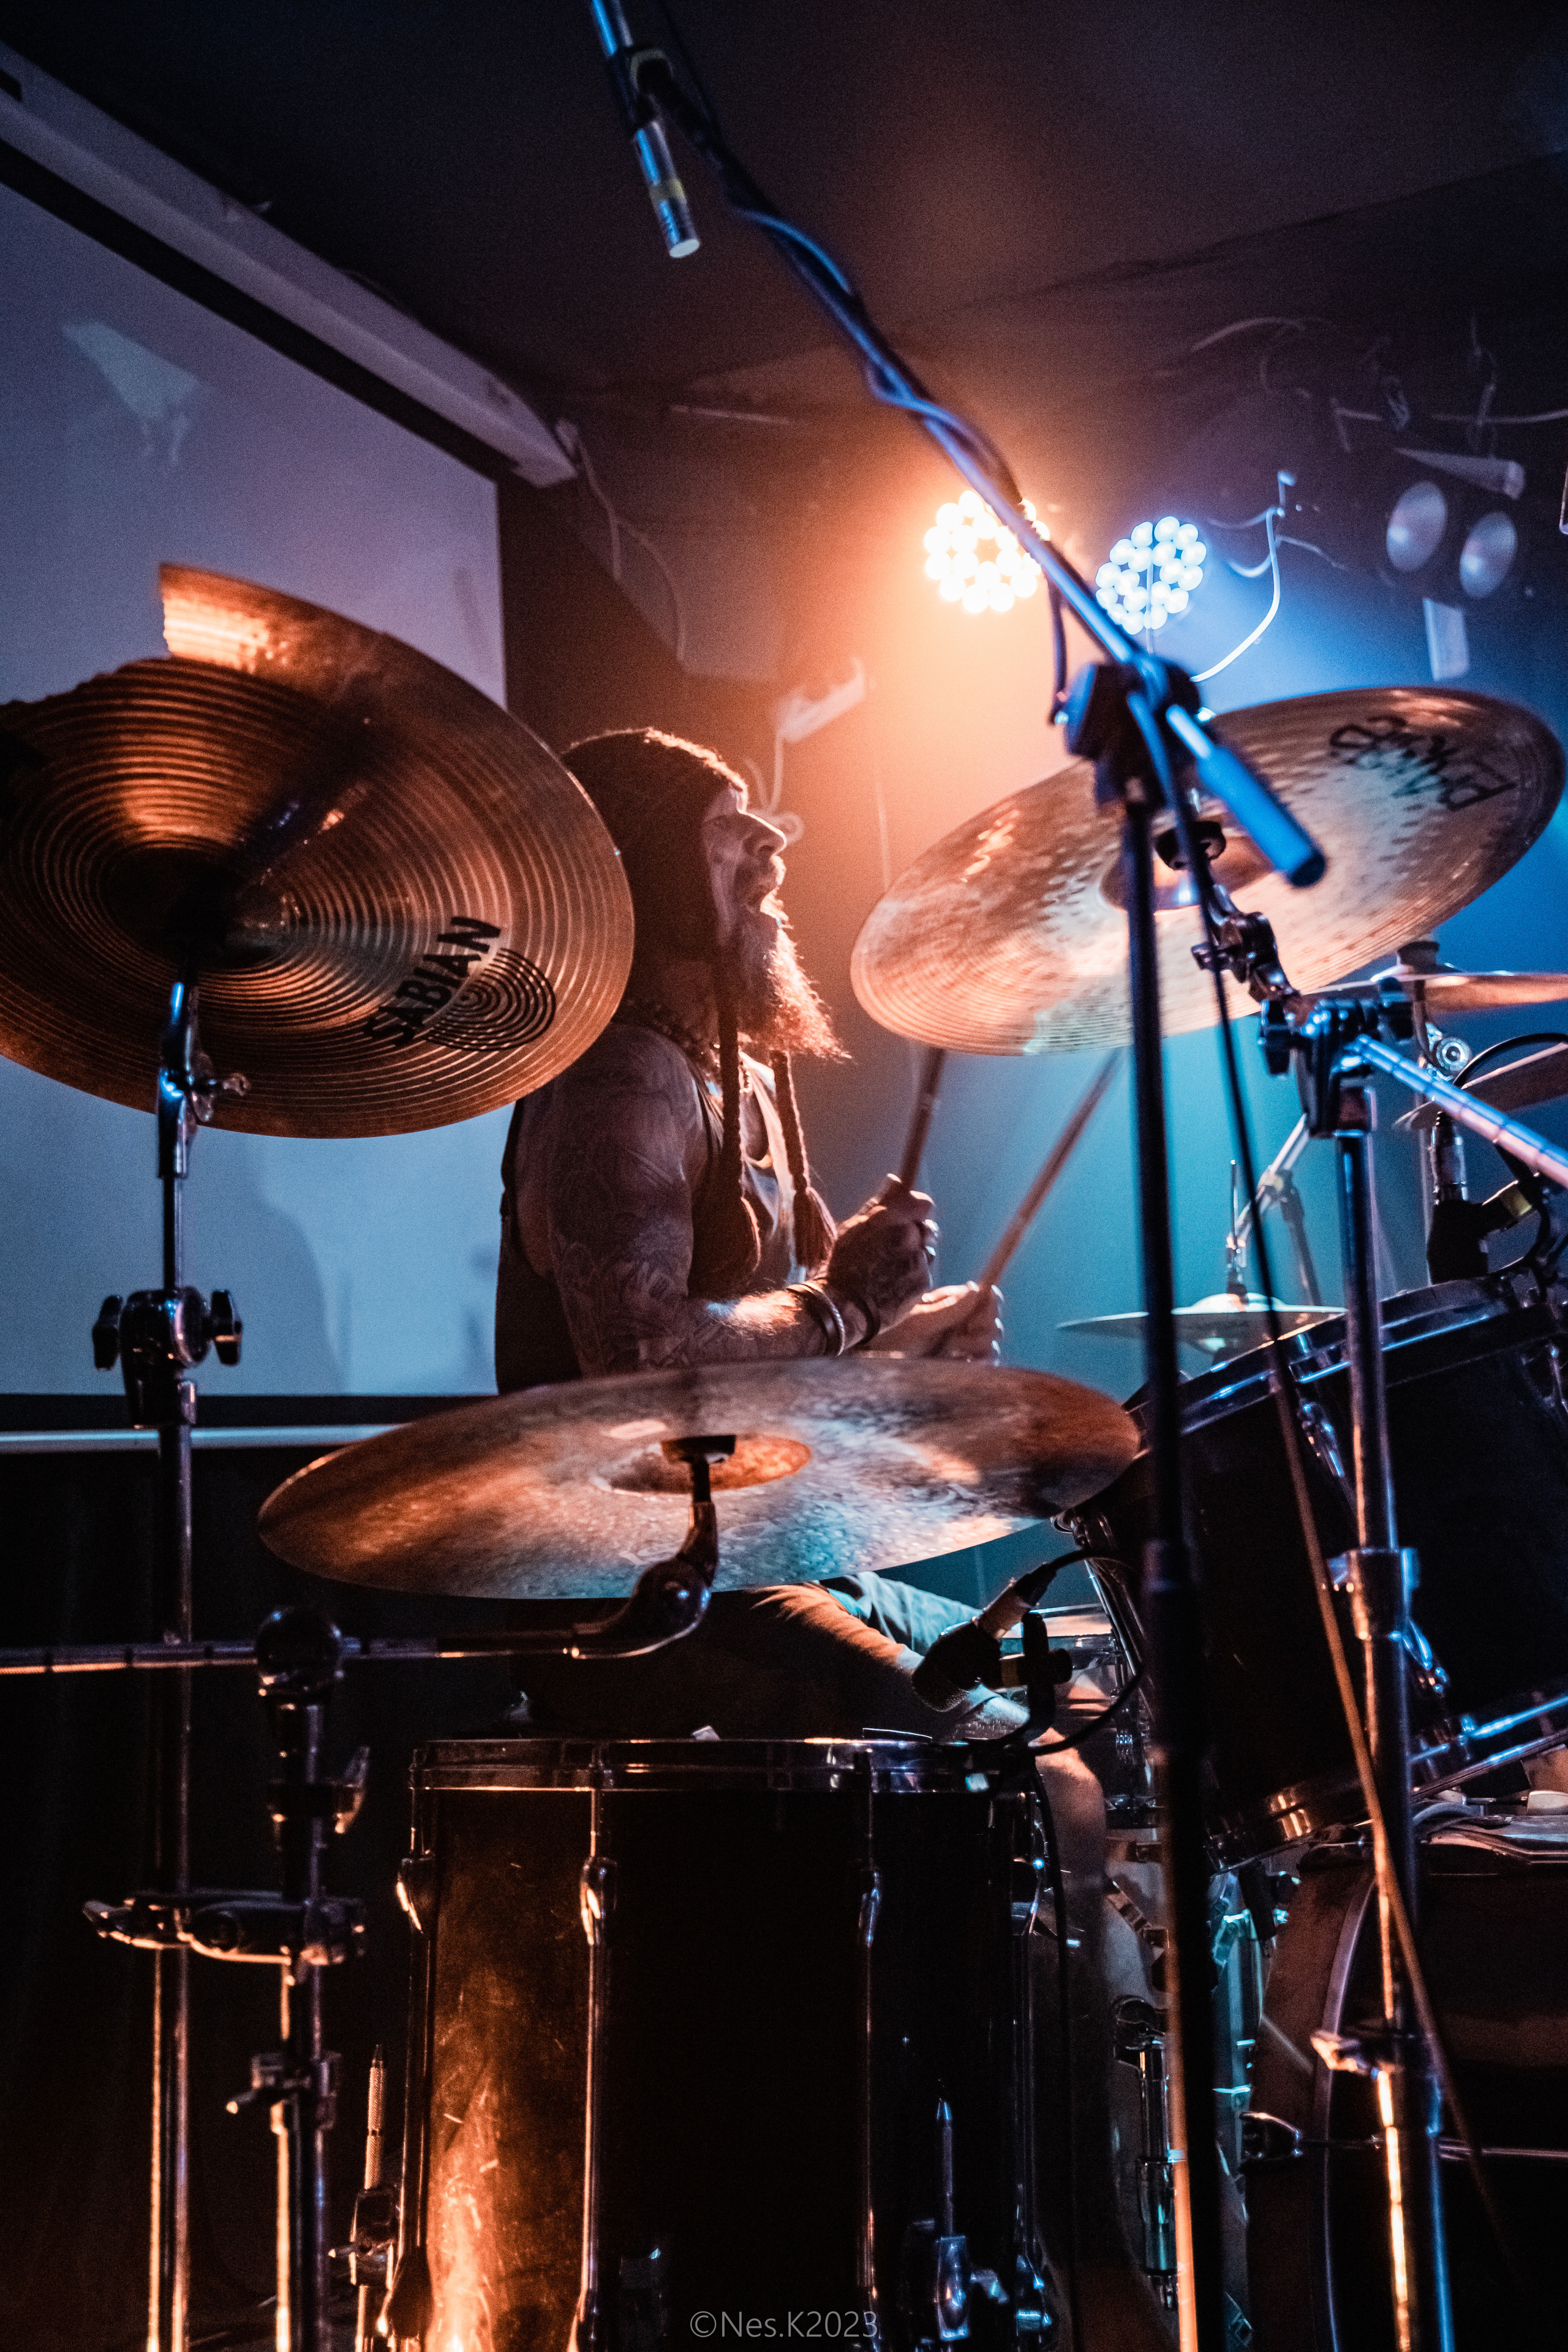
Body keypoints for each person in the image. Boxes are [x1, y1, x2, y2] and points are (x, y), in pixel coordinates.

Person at [493, 726, 1016, 1737]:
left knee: (1080, 1696)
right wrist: (846, 1306)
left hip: (768, 1554)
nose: (771, 846)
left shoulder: (738, 1074)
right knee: (1022, 1755)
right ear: (639, 870)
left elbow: (768, 1364)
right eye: (728, 831)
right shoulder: (622, 1077)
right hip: (653, 1592)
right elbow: (640, 1360)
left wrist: (898, 1338)